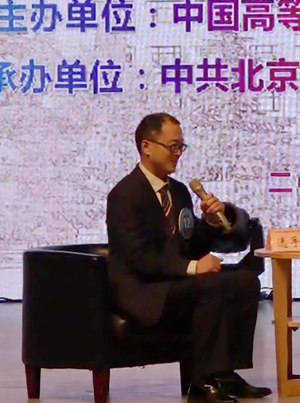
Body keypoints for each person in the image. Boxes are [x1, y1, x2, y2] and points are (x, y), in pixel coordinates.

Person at [106, 113, 272, 403]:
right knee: (211, 285)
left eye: (181, 146)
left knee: (245, 281)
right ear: (146, 147)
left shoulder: (179, 191)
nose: (178, 153)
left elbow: (190, 244)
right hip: (144, 291)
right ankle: (202, 381)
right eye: (172, 146)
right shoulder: (125, 195)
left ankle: (226, 375)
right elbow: (139, 258)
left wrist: (209, 223)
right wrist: (194, 267)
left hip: (175, 284)